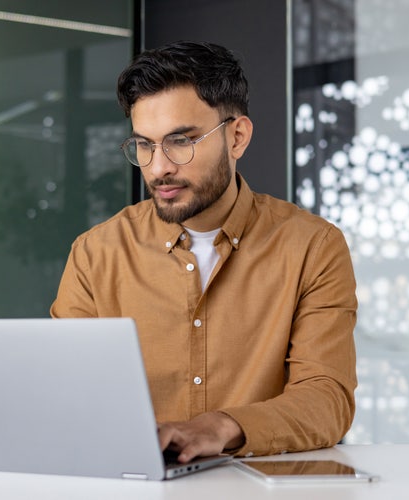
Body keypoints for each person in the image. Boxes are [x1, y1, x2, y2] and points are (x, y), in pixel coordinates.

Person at [50, 41, 357, 463]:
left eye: (180, 141)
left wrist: (222, 427)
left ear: (237, 137)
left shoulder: (312, 247)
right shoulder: (95, 254)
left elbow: (327, 400)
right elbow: (65, 393)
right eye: (144, 145)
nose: (158, 168)